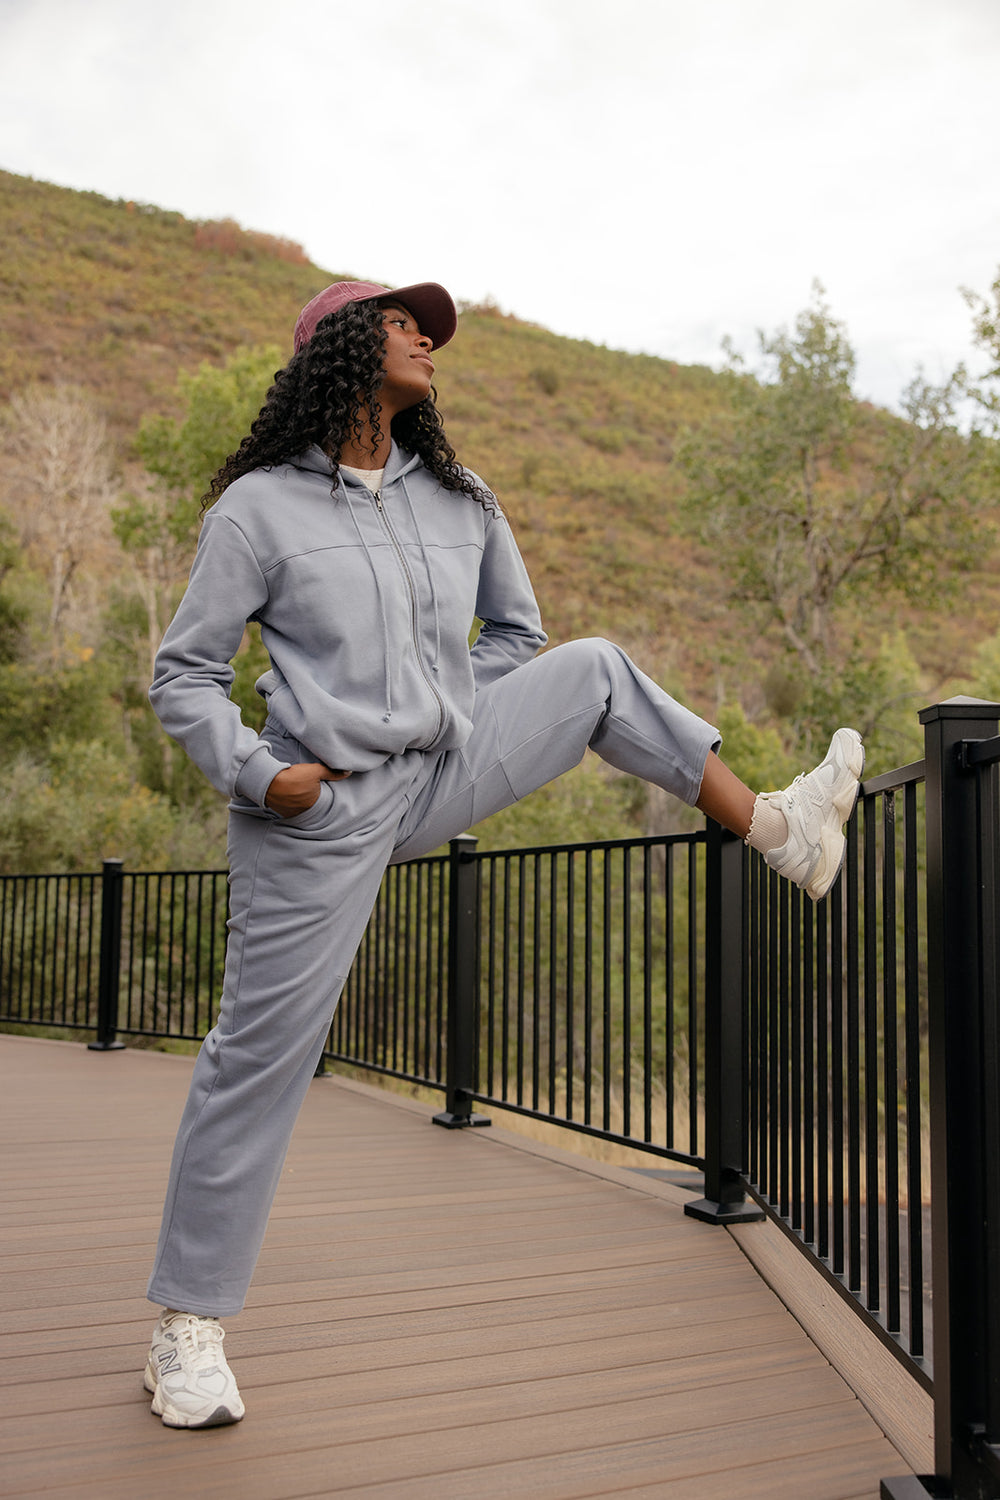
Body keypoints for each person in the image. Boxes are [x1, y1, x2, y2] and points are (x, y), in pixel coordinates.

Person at [143, 279, 864, 1428]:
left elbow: (515, 638)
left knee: (589, 665)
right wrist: (256, 772)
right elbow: (181, 675)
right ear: (337, 346)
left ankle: (783, 830)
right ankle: (186, 1325)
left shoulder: (461, 499)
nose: (427, 337)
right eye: (401, 321)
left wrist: (449, 711)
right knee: (260, 1055)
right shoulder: (259, 512)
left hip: (436, 766)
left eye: (428, 326)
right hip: (314, 806)